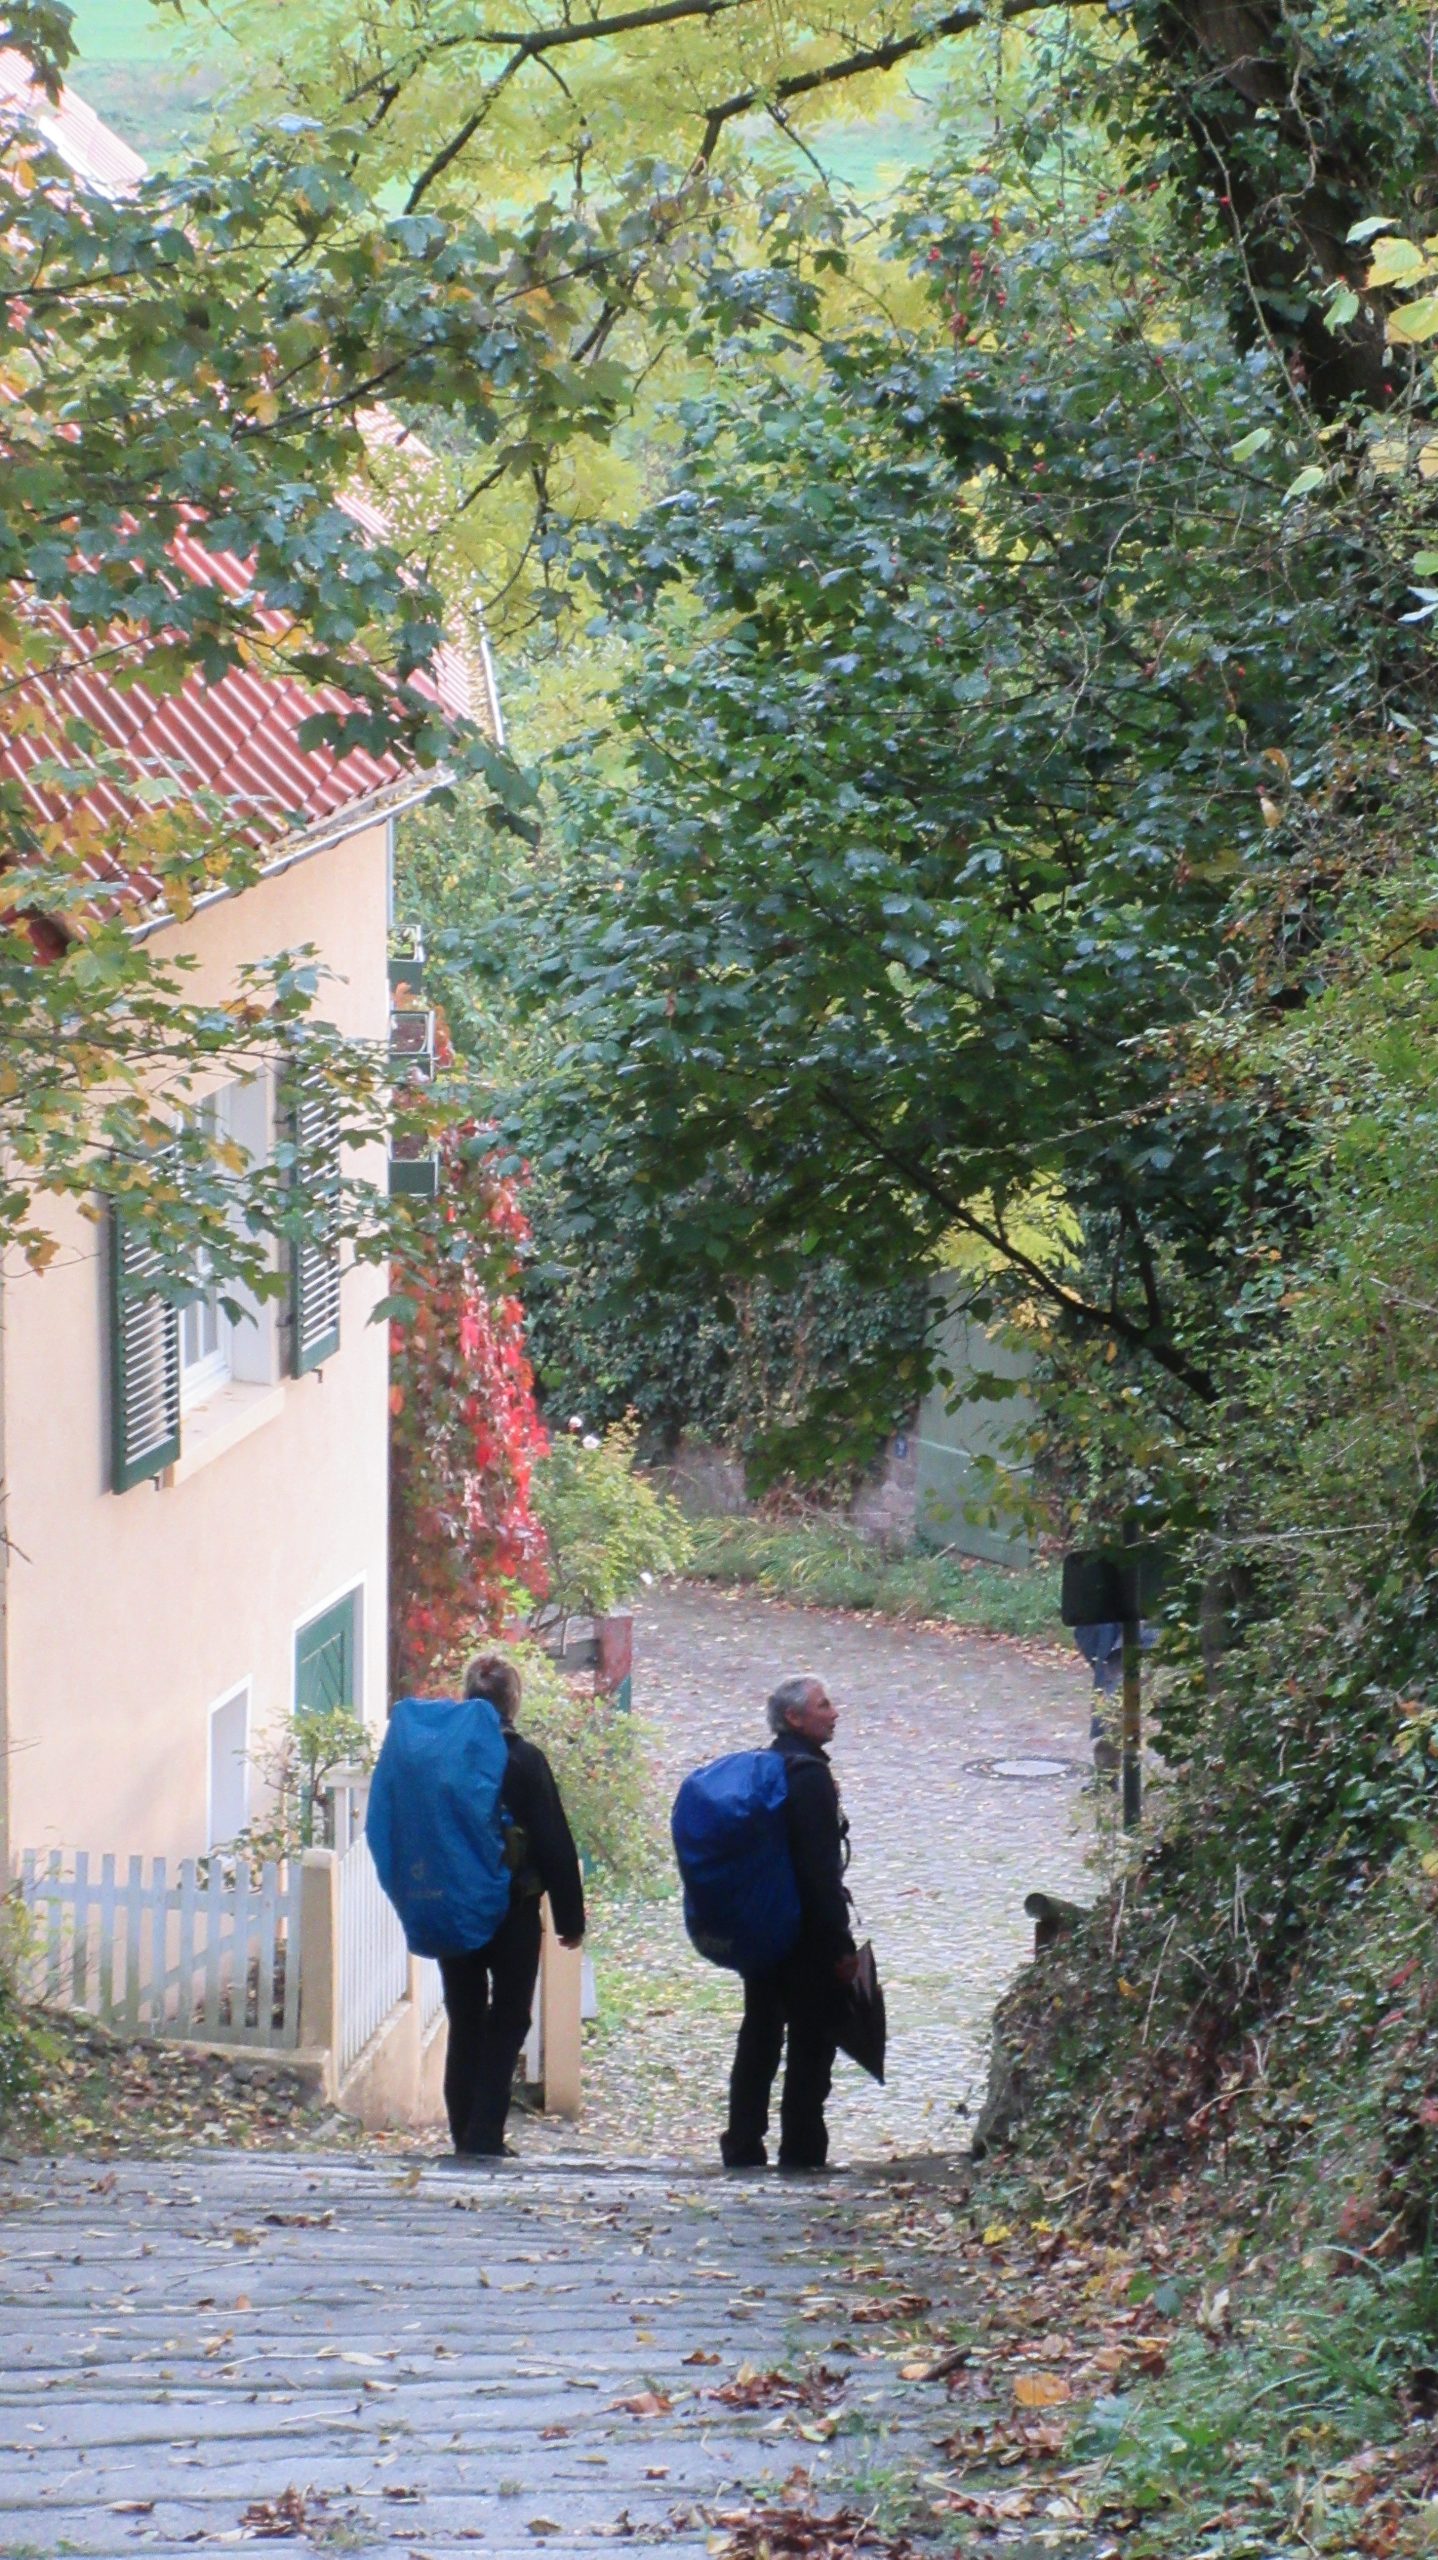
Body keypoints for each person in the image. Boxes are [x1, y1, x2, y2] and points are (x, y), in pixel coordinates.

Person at [438, 1651, 586, 2159]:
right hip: (512, 1912)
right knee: (508, 2021)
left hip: (455, 1908)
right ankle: (483, 2135)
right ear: (513, 1703)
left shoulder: (444, 1757)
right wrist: (570, 1919)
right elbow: (554, 1841)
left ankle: (464, 2133)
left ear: (466, 1699)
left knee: (464, 2018)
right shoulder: (524, 1761)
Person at [722, 1674, 858, 2174]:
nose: (834, 1713)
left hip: (763, 1929)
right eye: (824, 1705)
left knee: (759, 2034)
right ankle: (800, 2151)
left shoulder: (764, 1767)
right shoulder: (810, 1776)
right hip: (806, 1938)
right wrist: (840, 1944)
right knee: (811, 2041)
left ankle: (742, 2146)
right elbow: (820, 1870)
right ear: (795, 1718)